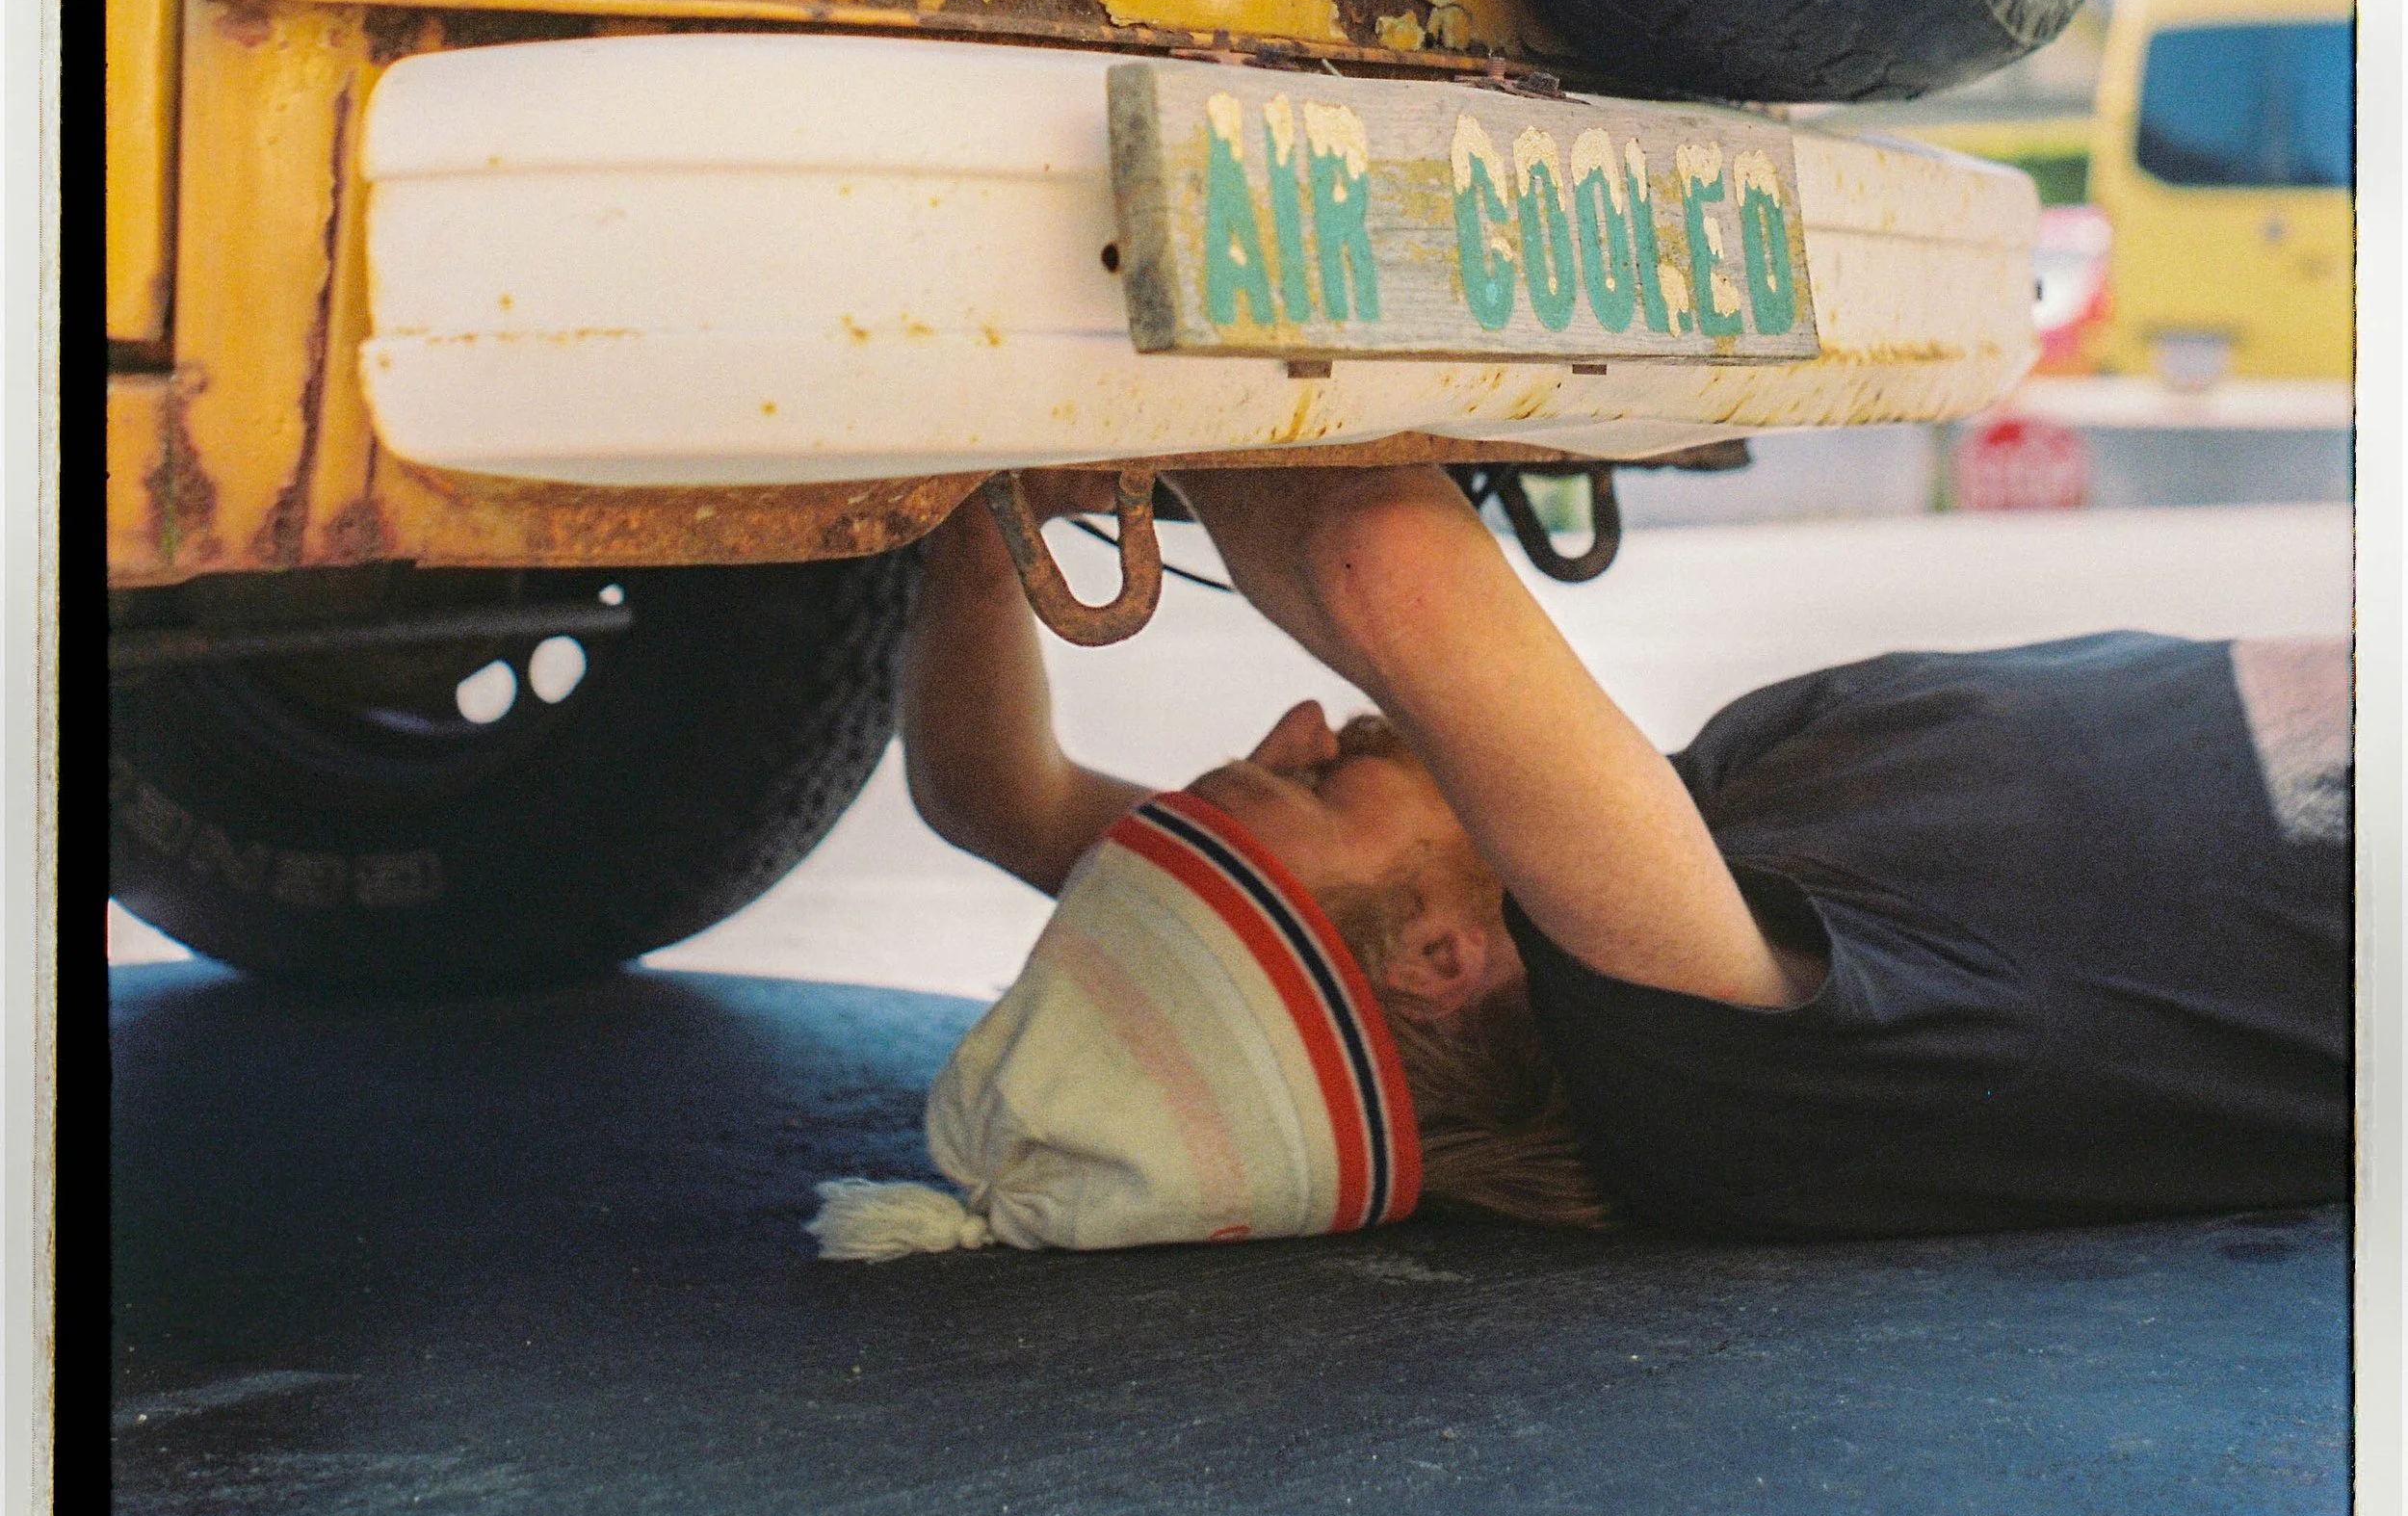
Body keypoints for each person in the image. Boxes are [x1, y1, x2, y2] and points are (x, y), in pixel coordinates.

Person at [810, 463, 2348, 1261]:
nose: (1301, 721)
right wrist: (1104, 362)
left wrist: (982, 504)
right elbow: (1381, 559)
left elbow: (994, 795)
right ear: (1432, 958)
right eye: (1306, 779)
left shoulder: (1673, 889)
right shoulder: (1695, 1068)